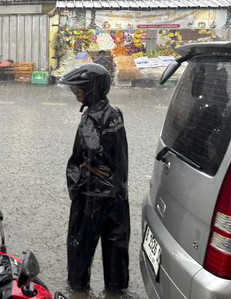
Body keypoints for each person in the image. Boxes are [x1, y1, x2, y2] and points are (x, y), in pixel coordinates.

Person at [59, 63, 130, 294]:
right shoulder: (116, 112)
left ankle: (78, 291)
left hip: (91, 197)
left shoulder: (89, 118)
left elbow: (92, 147)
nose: (75, 92)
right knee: (116, 251)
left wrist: (88, 162)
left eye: (79, 88)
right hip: (117, 195)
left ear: (92, 89)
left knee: (80, 250)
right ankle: (115, 291)